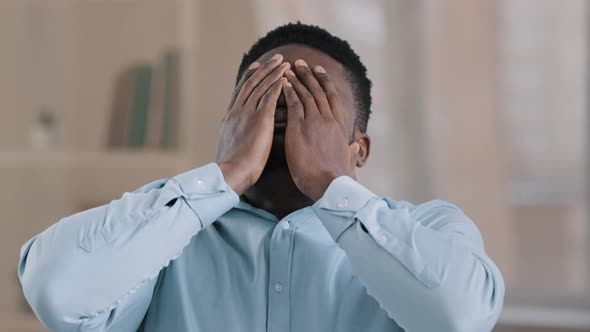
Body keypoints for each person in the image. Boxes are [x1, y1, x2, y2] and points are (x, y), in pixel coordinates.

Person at [18, 23, 504, 331]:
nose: (288, 119)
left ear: (360, 148)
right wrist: (225, 176)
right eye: (265, 99)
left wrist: (333, 185)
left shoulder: (431, 230)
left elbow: (459, 318)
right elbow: (55, 290)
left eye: (315, 105)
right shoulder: (164, 236)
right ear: (231, 125)